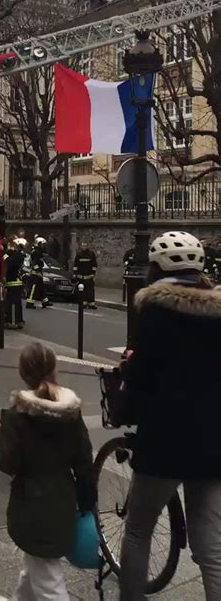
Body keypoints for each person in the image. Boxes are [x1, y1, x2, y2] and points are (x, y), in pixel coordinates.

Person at [119, 230, 221, 601]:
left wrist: (125, 388)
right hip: (213, 441)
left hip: (165, 443)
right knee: (211, 544)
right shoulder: (217, 311)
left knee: (138, 529)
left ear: (155, 270)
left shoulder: (156, 311)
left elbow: (143, 377)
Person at [0, 342, 97, 601]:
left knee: (48, 580)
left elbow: (8, 463)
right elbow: (84, 462)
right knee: (36, 564)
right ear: (53, 369)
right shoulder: (71, 413)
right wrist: (86, 503)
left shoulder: (17, 417)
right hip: (62, 500)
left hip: (32, 507)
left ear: (21, 372)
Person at [2, 238, 26, 330]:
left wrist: (5, 256)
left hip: (14, 284)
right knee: (15, 303)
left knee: (13, 303)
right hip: (13, 283)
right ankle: (18, 321)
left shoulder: (19, 256)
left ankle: (13, 322)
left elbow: (11, 263)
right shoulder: (16, 255)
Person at [26, 236, 53, 310]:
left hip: (38, 273)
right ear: (39, 244)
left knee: (41, 287)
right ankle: (29, 303)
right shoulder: (35, 252)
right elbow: (34, 263)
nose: (43, 246)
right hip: (35, 274)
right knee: (33, 289)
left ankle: (45, 301)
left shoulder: (39, 252)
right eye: (42, 245)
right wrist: (38, 271)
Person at [72, 241, 98, 310]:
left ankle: (91, 304)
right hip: (81, 277)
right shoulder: (79, 254)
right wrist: (75, 273)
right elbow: (75, 265)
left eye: (85, 246)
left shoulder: (91, 254)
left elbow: (94, 264)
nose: (84, 247)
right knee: (82, 291)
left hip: (89, 276)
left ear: (87, 246)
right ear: (81, 246)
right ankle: (83, 303)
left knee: (90, 291)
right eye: (83, 246)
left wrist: (93, 273)